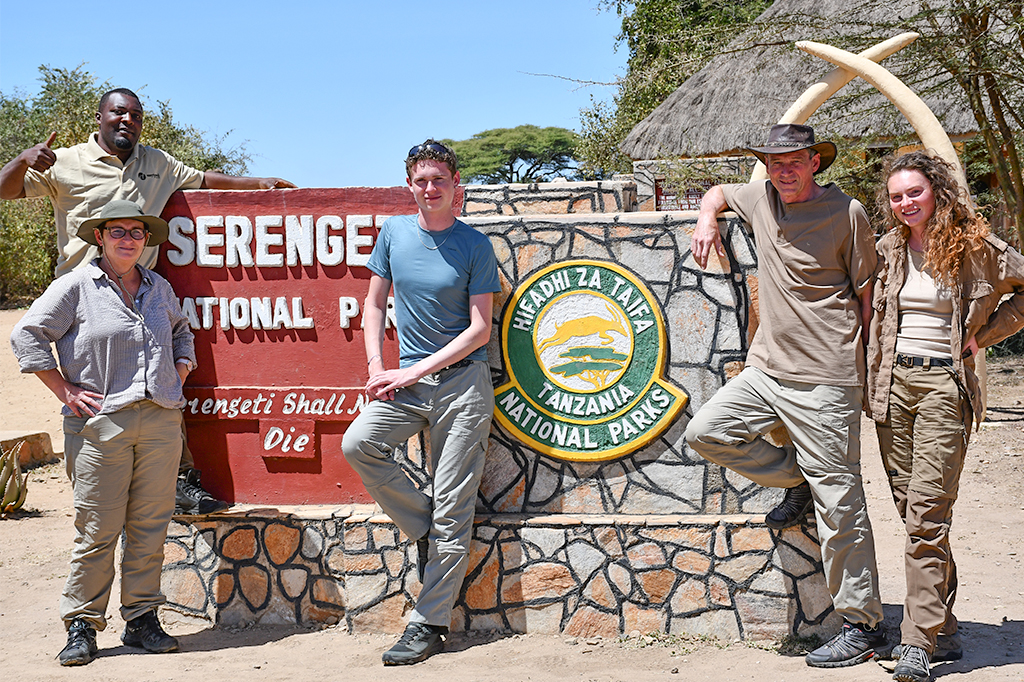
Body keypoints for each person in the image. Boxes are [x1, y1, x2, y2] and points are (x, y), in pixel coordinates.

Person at [0, 87, 295, 515]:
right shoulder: (63, 162)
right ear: (99, 117)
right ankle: (101, 498)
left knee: (159, 392)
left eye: (135, 116)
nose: (128, 121)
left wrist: (259, 184)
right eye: (119, 113)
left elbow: (205, 179)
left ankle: (177, 484)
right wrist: (22, 160)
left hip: (143, 292)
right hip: (86, 298)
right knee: (98, 400)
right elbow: (5, 191)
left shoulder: (156, 163)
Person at [685, 124, 886, 668]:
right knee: (705, 432)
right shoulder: (760, 197)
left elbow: (867, 300)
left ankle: (864, 623)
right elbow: (721, 193)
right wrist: (707, 218)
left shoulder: (848, 213)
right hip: (766, 370)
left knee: (840, 502)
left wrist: (862, 373)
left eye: (795, 161)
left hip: (826, 378)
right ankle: (794, 479)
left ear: (815, 162)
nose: (784, 171)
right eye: (775, 163)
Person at [11, 201, 196, 666]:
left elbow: (181, 332)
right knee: (97, 529)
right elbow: (28, 334)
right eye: (118, 231)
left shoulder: (159, 288)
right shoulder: (76, 286)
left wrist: (181, 367)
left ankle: (142, 620)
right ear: (100, 237)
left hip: (160, 419)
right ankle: (81, 625)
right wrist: (65, 389)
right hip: (99, 424)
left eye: (137, 231)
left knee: (150, 526)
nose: (128, 239)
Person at [867, 151, 1024, 682]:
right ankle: (946, 628)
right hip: (891, 388)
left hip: (942, 386)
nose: (905, 202)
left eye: (914, 192)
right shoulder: (886, 248)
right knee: (916, 515)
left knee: (927, 516)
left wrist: (983, 336)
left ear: (936, 191)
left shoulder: (976, 247)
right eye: (896, 196)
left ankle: (917, 642)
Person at [342, 140, 500, 665]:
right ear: (409, 185)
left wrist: (414, 370)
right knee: (359, 443)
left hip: (461, 385)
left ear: (456, 185)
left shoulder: (475, 245)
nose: (429, 189)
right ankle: (422, 527)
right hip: (405, 387)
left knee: (456, 510)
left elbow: (480, 329)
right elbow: (373, 305)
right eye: (420, 180)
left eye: (439, 180)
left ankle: (429, 624)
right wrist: (375, 370)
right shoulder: (393, 234)